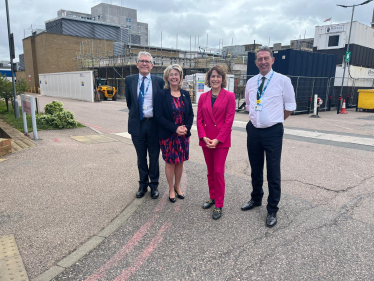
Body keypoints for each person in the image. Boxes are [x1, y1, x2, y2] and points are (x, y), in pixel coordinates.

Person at [241, 46, 296, 227]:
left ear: (272, 60)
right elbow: (249, 105)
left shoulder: (283, 81)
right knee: (255, 168)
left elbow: (289, 106)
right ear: (256, 62)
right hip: (254, 130)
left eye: (266, 58)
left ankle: (272, 209)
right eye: (260, 59)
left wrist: (276, 120)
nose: (263, 62)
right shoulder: (251, 82)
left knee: (273, 171)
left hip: (273, 131)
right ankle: (256, 198)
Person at [196, 65, 236, 220]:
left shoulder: (230, 96)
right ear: (209, 79)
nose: (215, 79)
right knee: (210, 171)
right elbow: (199, 120)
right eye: (213, 76)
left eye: (218, 76)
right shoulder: (203, 97)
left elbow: (228, 120)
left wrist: (218, 139)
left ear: (223, 79)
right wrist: (203, 136)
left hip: (221, 141)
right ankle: (212, 197)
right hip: (206, 140)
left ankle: (219, 204)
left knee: (218, 172)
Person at [125, 51, 165, 199]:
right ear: (137, 64)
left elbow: (161, 104)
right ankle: (142, 185)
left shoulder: (159, 81)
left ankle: (154, 185)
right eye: (142, 61)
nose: (144, 63)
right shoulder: (130, 80)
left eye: (147, 61)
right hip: (138, 125)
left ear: (152, 65)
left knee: (154, 157)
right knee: (141, 157)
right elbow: (130, 103)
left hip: (154, 125)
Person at [155, 64, 194, 203]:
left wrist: (186, 128)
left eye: (176, 74)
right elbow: (158, 116)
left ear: (180, 77)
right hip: (168, 135)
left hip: (183, 135)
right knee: (170, 162)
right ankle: (171, 188)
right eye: (171, 74)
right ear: (167, 77)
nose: (173, 77)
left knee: (180, 162)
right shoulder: (161, 94)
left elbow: (190, 114)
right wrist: (175, 128)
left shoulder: (185, 94)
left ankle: (178, 186)